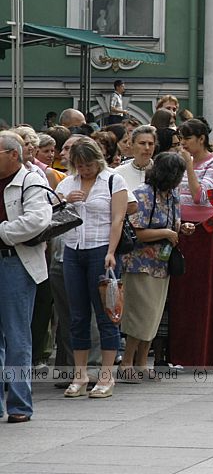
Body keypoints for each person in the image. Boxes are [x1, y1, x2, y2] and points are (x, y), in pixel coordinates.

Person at [55, 137, 129, 399]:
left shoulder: (112, 180)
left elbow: (118, 219)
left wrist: (111, 251)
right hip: (73, 250)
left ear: (98, 161)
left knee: (106, 314)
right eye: (80, 166)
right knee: (77, 316)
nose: (85, 170)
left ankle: (107, 376)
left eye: (88, 165)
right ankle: (80, 374)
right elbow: (54, 216)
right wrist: (64, 201)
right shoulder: (67, 183)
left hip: (100, 249)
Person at [119, 152, 193, 382]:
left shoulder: (172, 195)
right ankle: (127, 363)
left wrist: (182, 228)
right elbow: (137, 232)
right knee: (139, 315)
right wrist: (167, 232)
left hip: (161, 264)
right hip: (140, 263)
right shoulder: (143, 195)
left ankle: (141, 363)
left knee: (153, 315)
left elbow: (173, 223)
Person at [0, 131, 53, 423]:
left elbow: (37, 220)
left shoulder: (31, 180)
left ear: (12, 155)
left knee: (17, 336)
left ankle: (19, 405)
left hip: (15, 263)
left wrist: (1, 233)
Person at [172, 119, 213, 367]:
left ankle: (203, 353)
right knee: (180, 293)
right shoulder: (179, 161)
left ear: (201, 139)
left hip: (204, 232)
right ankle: (178, 353)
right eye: (181, 139)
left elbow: (201, 196)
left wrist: (190, 167)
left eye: (188, 139)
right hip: (179, 229)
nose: (183, 144)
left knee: (201, 294)